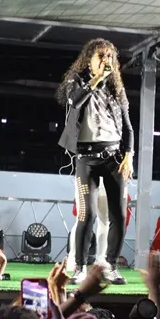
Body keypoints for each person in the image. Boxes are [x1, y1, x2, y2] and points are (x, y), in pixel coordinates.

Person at [57, 38, 134, 285]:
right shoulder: (76, 82)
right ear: (89, 59)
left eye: (109, 57)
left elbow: (129, 127)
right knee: (86, 215)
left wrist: (130, 156)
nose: (106, 61)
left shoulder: (117, 90)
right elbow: (73, 101)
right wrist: (95, 80)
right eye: (101, 56)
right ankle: (79, 267)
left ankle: (110, 265)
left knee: (118, 216)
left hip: (114, 157)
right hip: (86, 159)